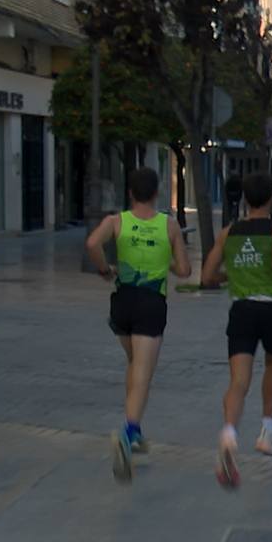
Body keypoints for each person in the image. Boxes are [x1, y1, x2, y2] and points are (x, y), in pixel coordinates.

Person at [202, 173, 272, 488]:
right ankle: (267, 432)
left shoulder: (228, 234)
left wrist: (232, 275)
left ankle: (229, 433)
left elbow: (207, 276)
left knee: (238, 380)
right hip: (271, 310)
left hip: (241, 311)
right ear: (271, 199)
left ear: (245, 199)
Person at [86, 166, 193, 483]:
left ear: (130, 193)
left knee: (134, 364)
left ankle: (135, 433)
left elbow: (92, 244)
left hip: (122, 302)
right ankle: (127, 432)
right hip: (150, 304)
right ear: (157, 193)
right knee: (143, 374)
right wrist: (165, 261)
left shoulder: (116, 221)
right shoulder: (168, 225)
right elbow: (185, 270)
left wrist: (105, 270)